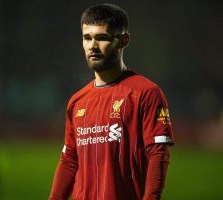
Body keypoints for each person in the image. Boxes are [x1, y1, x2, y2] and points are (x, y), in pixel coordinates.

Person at [49, 3, 174, 200]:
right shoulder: (77, 101)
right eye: (87, 38)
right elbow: (70, 159)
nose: (93, 46)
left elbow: (158, 153)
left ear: (123, 40)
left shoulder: (146, 93)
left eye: (102, 38)